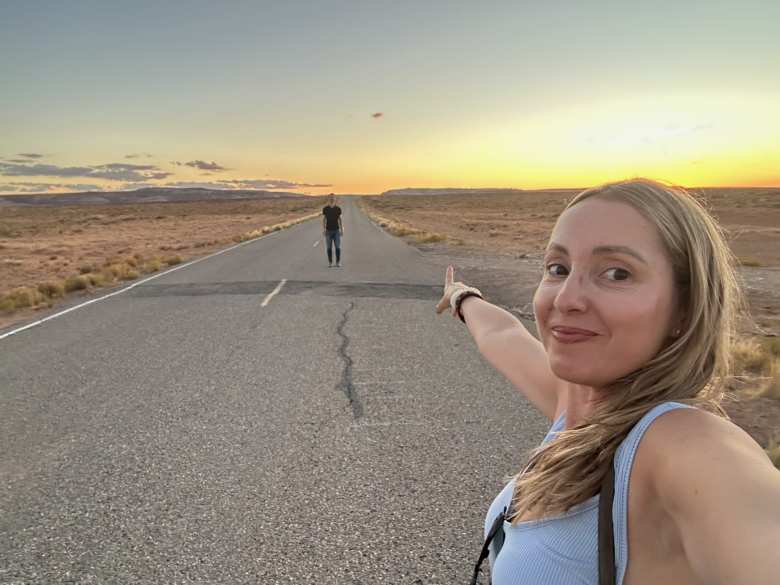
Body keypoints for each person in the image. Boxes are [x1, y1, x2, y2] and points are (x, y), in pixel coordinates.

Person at [435, 178, 780, 585]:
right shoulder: (578, 404)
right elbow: (502, 336)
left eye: (617, 273)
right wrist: (462, 297)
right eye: (557, 268)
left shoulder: (681, 446)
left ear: (684, 309)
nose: (565, 299)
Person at [322, 193, 343, 267]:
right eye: (330, 198)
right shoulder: (325, 209)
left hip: (336, 231)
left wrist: (341, 229)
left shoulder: (338, 209)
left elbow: (340, 219)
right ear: (328, 199)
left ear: (335, 199)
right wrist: (324, 229)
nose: (332, 199)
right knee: (329, 247)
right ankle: (330, 263)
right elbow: (324, 219)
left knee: (337, 247)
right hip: (328, 231)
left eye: (333, 198)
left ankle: (337, 262)